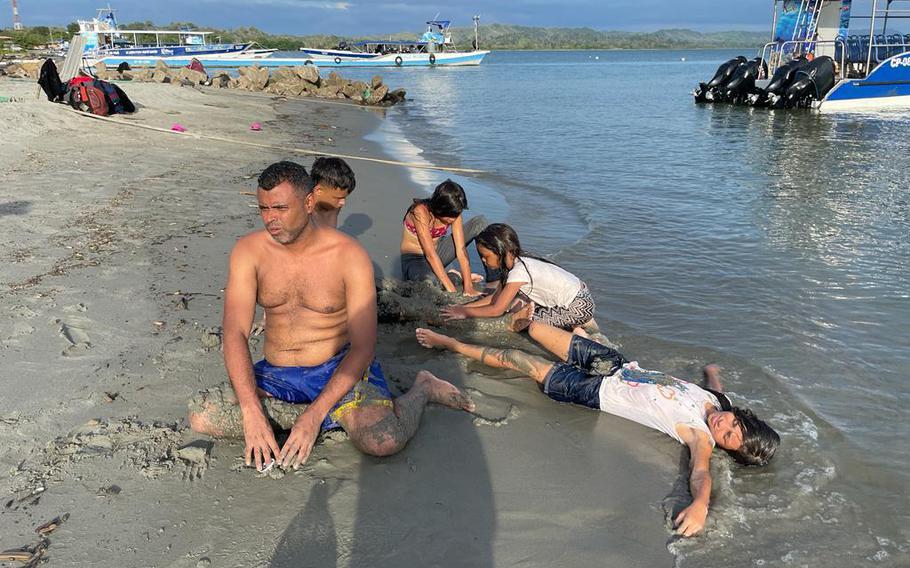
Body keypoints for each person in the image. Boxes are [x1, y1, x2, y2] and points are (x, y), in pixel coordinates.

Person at [188, 161, 475, 471]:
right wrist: (251, 411)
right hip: (277, 373)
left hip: (335, 368)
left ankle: (423, 387)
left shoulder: (349, 256)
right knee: (202, 417)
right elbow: (234, 332)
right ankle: (320, 417)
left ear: (309, 202)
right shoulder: (249, 252)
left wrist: (313, 416)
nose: (271, 219)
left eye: (281, 208)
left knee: (383, 440)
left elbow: (364, 347)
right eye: (264, 209)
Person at [414, 314, 780, 537]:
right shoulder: (718, 404)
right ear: (741, 416)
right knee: (535, 328)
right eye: (734, 424)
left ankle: (451, 343)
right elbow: (718, 392)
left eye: (728, 438)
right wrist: (712, 373)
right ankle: (485, 312)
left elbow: (700, 474)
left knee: (519, 359)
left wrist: (700, 505)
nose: (723, 425)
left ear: (725, 448)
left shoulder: (700, 437)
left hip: (594, 390)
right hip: (613, 364)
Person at [441, 223, 596, 332]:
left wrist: (464, 313)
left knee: (518, 322)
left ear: (502, 251)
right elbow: (495, 299)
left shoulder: (518, 272)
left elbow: (496, 310)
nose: (483, 260)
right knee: (520, 307)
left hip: (577, 306)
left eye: (485, 256)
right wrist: (464, 307)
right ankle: (578, 323)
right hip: (581, 296)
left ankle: (577, 331)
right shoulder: (520, 261)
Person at [400, 179, 490, 295]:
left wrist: (468, 287)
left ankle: (493, 279)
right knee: (430, 283)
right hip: (415, 259)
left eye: (456, 214)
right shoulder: (420, 212)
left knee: (479, 223)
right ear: (440, 207)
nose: (453, 219)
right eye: (450, 216)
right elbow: (430, 254)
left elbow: (461, 250)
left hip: (439, 253)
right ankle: (453, 276)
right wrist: (452, 290)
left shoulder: (454, 214)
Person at [310, 156, 356, 228]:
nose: (343, 203)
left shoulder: (334, 205)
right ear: (319, 191)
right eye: (338, 198)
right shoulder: (302, 213)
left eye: (344, 198)